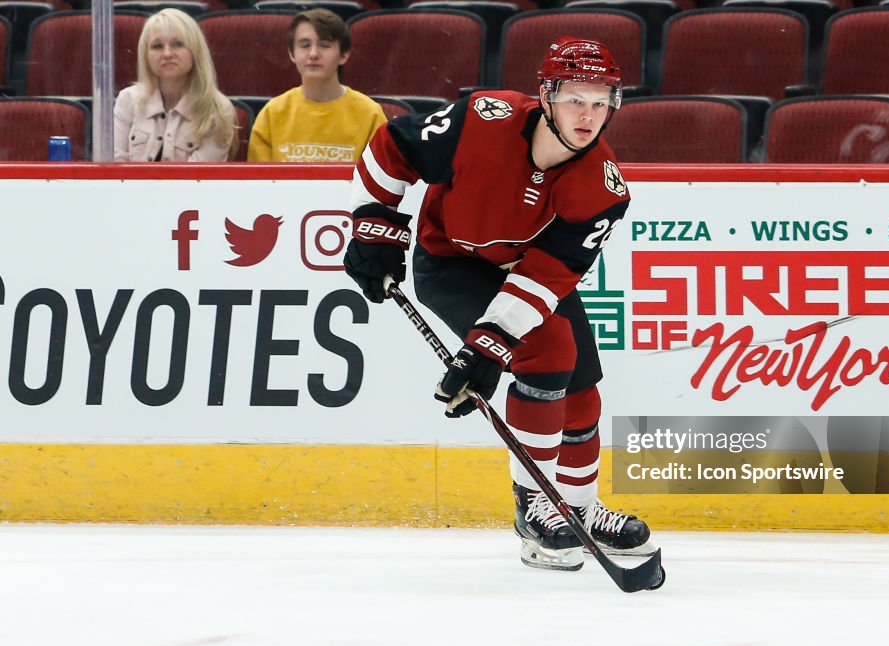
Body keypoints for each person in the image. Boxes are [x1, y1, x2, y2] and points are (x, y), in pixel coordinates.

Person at [343, 37, 656, 572]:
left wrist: (488, 346)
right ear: (547, 95)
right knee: (551, 347)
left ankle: (578, 509)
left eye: (602, 100)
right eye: (577, 97)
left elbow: (548, 275)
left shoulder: (604, 189)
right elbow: (392, 146)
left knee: (581, 383)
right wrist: (376, 228)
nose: (590, 114)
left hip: (523, 273)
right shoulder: (482, 118)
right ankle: (535, 507)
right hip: (449, 263)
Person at [247, 9, 386, 162]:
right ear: (292, 54)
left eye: (324, 45)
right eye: (305, 45)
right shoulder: (271, 114)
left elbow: (380, 180)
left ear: (344, 55)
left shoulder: (370, 114)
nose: (313, 54)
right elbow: (259, 182)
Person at [115, 8, 237, 162]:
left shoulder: (218, 109)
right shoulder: (127, 100)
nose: (167, 54)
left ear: (195, 51)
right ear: (145, 55)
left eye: (177, 44)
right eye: (157, 46)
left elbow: (196, 180)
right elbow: (116, 171)